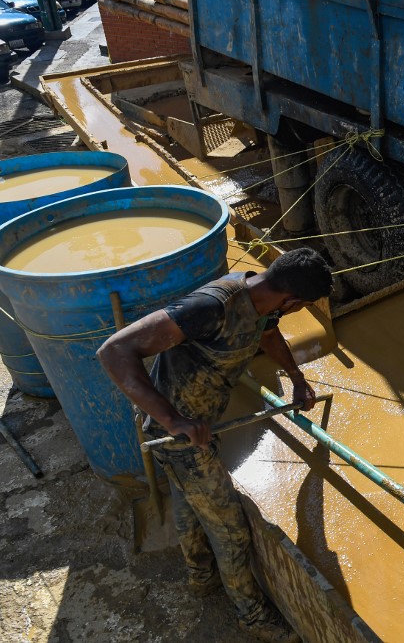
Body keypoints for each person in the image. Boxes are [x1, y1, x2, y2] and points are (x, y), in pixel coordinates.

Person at [97, 248, 333, 643]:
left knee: (190, 502)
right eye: (302, 308)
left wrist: (295, 375)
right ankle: (251, 615)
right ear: (292, 301)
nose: (294, 313)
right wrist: (174, 420)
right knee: (232, 531)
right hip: (179, 435)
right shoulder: (211, 306)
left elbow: (269, 333)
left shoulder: (266, 299)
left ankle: (201, 577)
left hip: (201, 424)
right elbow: (114, 351)